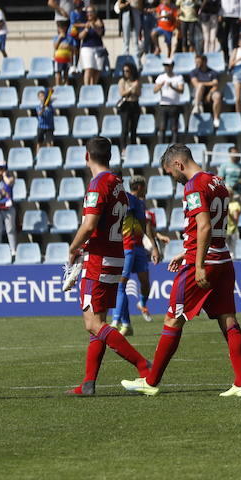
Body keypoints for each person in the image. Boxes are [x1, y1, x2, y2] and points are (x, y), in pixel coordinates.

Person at [122, 144, 241, 398]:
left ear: (178, 165)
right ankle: (240, 383)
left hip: (202, 264)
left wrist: (197, 262)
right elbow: (212, 226)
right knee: (228, 319)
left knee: (172, 319)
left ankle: (151, 381)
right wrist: (187, 251)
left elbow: (203, 226)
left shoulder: (193, 185)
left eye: (171, 173)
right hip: (223, 259)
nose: (174, 178)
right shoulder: (217, 182)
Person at [60, 138, 151, 395]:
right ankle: (88, 383)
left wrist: (72, 248)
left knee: (92, 324)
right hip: (115, 256)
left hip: (99, 260)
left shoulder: (98, 184)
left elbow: (89, 225)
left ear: (86, 156)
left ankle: (144, 366)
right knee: (99, 321)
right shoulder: (119, 186)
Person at [110, 175, 163, 333]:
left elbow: (145, 226)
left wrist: (154, 247)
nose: (146, 189)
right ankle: (118, 322)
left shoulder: (136, 202)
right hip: (127, 246)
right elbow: (143, 225)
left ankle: (128, 319)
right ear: (139, 186)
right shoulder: (131, 200)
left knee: (143, 283)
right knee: (122, 284)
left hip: (137, 247)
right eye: (145, 186)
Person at [155, 59, 188, 145]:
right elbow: (154, 90)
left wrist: (172, 87)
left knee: (174, 128)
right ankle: (161, 145)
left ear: (172, 66)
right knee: (162, 127)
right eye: (165, 65)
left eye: (168, 65)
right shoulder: (160, 77)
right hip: (163, 105)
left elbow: (181, 90)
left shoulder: (178, 77)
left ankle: (174, 146)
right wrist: (160, 86)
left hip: (174, 105)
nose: (166, 67)